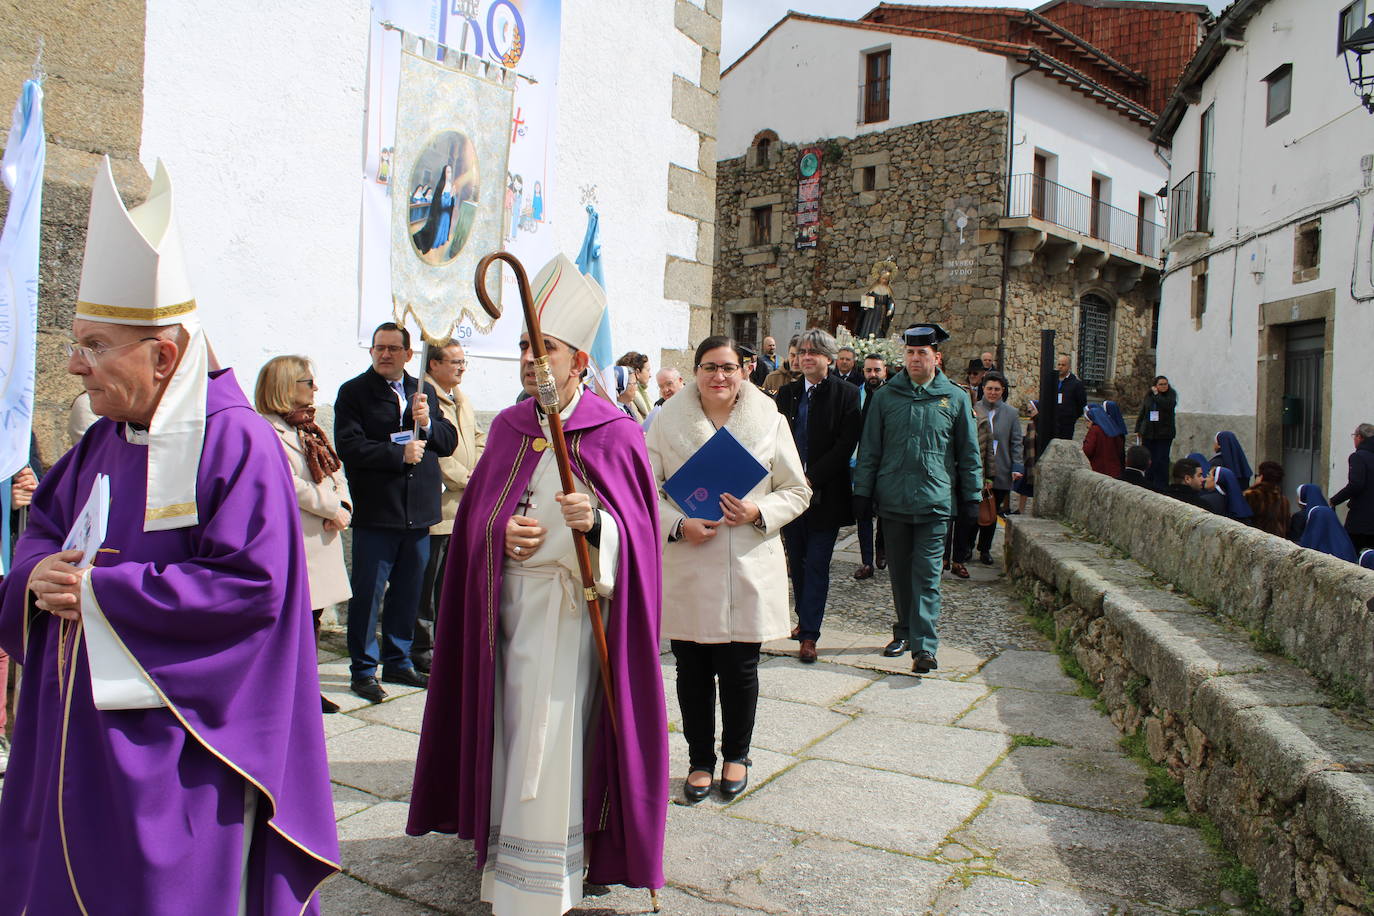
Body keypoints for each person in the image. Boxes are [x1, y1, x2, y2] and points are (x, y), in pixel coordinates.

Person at [0, 158, 338, 912]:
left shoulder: (234, 442)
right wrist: (36, 575)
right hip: (75, 723)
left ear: (164, 355)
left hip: (180, 746)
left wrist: (99, 593)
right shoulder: (104, 437)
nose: (73, 362)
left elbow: (253, 589)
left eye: (94, 345)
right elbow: (45, 529)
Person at [409, 253, 666, 914]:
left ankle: (556, 871)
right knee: (512, 736)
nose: (530, 357)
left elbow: (639, 536)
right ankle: (504, 862)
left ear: (578, 361)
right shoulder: (509, 427)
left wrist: (601, 525)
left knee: (557, 745)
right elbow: (478, 520)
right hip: (510, 615)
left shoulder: (614, 433)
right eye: (524, 345)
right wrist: (499, 536)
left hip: (575, 618)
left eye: (543, 347)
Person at [648, 335, 809, 802]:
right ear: (695, 371)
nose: (719, 376)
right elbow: (643, 490)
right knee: (692, 669)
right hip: (689, 559)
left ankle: (737, 754)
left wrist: (758, 512)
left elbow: (797, 490)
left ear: (745, 370)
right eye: (709, 367)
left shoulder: (770, 420)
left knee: (740, 668)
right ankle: (699, 761)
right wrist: (678, 523)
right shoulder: (664, 424)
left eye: (728, 367)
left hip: (747, 561)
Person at [335, 322, 457, 703]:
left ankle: (398, 660)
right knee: (369, 595)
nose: (384, 354)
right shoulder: (354, 392)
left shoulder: (421, 392)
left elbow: (448, 441)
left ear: (408, 354)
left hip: (418, 513)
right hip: (379, 511)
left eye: (392, 348)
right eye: (378, 348)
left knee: (408, 593)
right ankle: (363, 668)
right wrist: (396, 453)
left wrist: (426, 423)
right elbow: (349, 446)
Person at [853, 324, 981, 673]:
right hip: (893, 500)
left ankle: (925, 646)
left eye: (921, 353)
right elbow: (870, 450)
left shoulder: (954, 398)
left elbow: (968, 453)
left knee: (926, 575)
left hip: (934, 502)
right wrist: (862, 491)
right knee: (899, 574)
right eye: (909, 352)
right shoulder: (885, 397)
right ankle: (904, 631)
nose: (914, 359)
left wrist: (972, 497)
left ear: (936, 357)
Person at [255, 356, 353, 714]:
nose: (315, 389)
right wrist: (332, 508)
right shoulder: (265, 430)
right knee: (293, 621)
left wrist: (344, 504)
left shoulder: (307, 427)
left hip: (321, 533)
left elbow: (333, 470)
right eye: (308, 382)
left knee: (311, 618)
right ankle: (287, 692)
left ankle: (306, 690)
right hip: (297, 536)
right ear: (286, 386)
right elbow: (289, 483)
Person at [775, 329, 862, 663]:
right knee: (796, 562)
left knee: (817, 565)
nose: (806, 357)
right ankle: (803, 620)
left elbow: (845, 444)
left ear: (828, 357)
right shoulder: (787, 393)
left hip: (824, 493)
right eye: (801, 352)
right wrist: (789, 479)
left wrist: (810, 477)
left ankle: (810, 635)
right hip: (789, 494)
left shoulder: (847, 394)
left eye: (813, 352)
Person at [412, 340, 484, 673]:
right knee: (428, 584)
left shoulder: (461, 398)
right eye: (455, 362)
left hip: (462, 508)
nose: (462, 367)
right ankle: (423, 647)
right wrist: (465, 478)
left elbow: (480, 437)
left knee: (449, 584)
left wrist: (482, 470)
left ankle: (444, 642)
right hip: (440, 508)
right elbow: (432, 451)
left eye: (463, 361)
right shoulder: (425, 398)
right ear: (434, 364)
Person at [975, 372, 1022, 565]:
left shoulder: (1011, 413)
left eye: (997, 389)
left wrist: (1017, 466)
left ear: (1003, 391)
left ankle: (985, 549)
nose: (993, 393)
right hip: (978, 469)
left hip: (1001, 469)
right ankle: (967, 546)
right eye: (989, 389)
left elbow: (1017, 441)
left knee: (991, 512)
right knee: (973, 511)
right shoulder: (974, 408)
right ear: (983, 389)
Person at [853, 353, 888, 577]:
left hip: (886, 463)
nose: (873, 375)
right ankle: (867, 561)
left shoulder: (891, 396)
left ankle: (881, 549)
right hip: (859, 462)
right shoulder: (856, 395)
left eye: (877, 370)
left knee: (884, 511)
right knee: (862, 512)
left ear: (885, 371)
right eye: (868, 370)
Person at [1330, 423, 1374, 553]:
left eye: (1354, 436)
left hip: (1361, 520)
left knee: (1352, 554)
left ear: (1360, 437)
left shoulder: (1358, 457)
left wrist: (1334, 500)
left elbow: (1356, 484)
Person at [1135, 376, 1177, 488]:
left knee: (1161, 460)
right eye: (1161, 384)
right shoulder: (1149, 397)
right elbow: (1143, 412)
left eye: (1165, 384)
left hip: (1164, 434)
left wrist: (1156, 394)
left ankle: (1161, 484)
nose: (1164, 386)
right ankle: (1148, 481)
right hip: (1149, 433)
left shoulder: (1170, 397)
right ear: (1155, 385)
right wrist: (1138, 428)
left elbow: (1165, 405)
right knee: (1149, 458)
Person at [412, 163, 455, 256]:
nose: (449, 174)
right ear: (444, 173)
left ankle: (442, 240)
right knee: (438, 227)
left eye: (450, 172)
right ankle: (435, 241)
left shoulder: (449, 184)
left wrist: (452, 197)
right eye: (448, 172)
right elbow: (441, 200)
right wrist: (450, 196)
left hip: (446, 212)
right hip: (441, 212)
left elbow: (450, 199)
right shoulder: (442, 184)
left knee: (445, 225)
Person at [1244, 461, 1289, 537]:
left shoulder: (1251, 495)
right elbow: (1287, 526)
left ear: (1261, 477)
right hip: (1277, 543)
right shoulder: (1284, 500)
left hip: (1255, 540)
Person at [1012, 399, 1039, 514]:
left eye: (1032, 409)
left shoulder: (1034, 425)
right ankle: (1021, 509)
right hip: (1029, 459)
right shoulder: (1033, 424)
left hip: (1031, 459)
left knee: (1028, 486)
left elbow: (1031, 442)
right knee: (1024, 487)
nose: (1029, 411)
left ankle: (1026, 510)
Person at [1083, 405, 1124, 478]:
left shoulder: (1095, 430)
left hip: (1100, 470)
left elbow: (1087, 450)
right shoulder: (1113, 427)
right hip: (1115, 470)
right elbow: (1120, 449)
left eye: (1087, 421)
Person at [1053, 354, 1087, 441]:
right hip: (1053, 421)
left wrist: (1072, 416)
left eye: (1063, 365)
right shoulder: (1053, 381)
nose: (1060, 367)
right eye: (1059, 364)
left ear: (1068, 366)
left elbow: (1081, 403)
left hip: (1067, 423)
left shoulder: (1076, 384)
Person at [641, 367, 684, 431]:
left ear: (680, 380)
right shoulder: (659, 405)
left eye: (669, 384)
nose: (666, 390)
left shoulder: (695, 396)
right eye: (661, 387)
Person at [616, 351, 653, 422]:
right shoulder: (628, 399)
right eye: (648, 370)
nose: (650, 375)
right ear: (637, 372)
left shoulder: (642, 393)